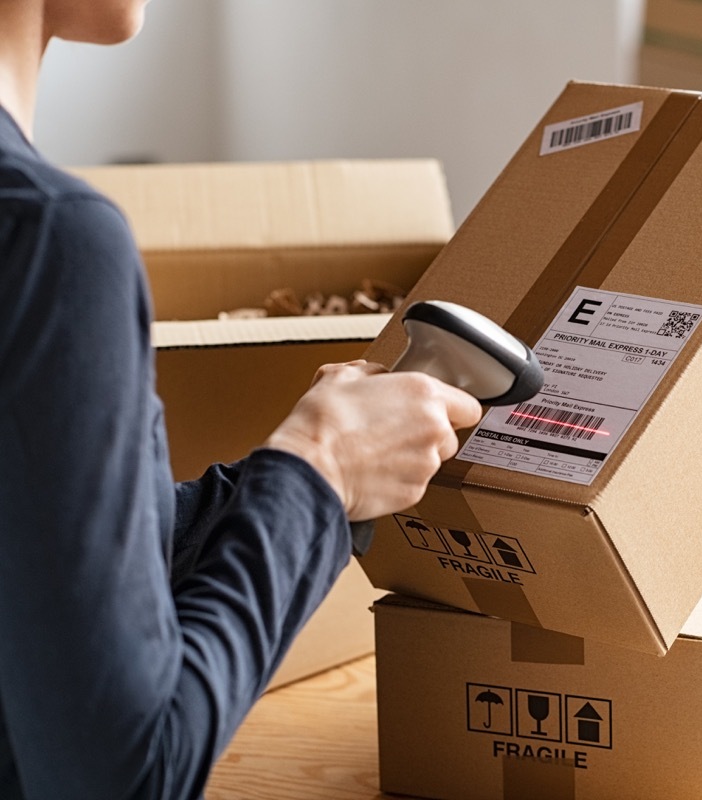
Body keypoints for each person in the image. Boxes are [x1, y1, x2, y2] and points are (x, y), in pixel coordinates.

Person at [0, 2, 482, 798]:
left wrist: (281, 484)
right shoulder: (48, 241)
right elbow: (123, 778)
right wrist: (322, 472)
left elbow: (36, 551)